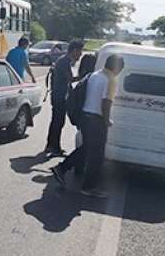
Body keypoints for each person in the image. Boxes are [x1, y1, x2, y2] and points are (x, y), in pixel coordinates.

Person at [51, 54, 125, 198]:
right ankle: (89, 187)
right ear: (117, 68)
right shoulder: (111, 80)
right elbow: (106, 102)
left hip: (85, 116)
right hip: (97, 120)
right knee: (96, 156)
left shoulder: (95, 75)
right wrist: (106, 120)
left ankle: (61, 168)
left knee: (86, 149)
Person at [44, 40, 84, 156]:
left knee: (57, 121)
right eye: (79, 52)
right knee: (58, 122)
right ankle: (54, 147)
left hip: (58, 96)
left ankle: (52, 146)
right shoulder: (64, 62)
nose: (80, 55)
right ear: (74, 51)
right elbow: (70, 79)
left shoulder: (63, 60)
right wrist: (83, 76)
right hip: (59, 97)